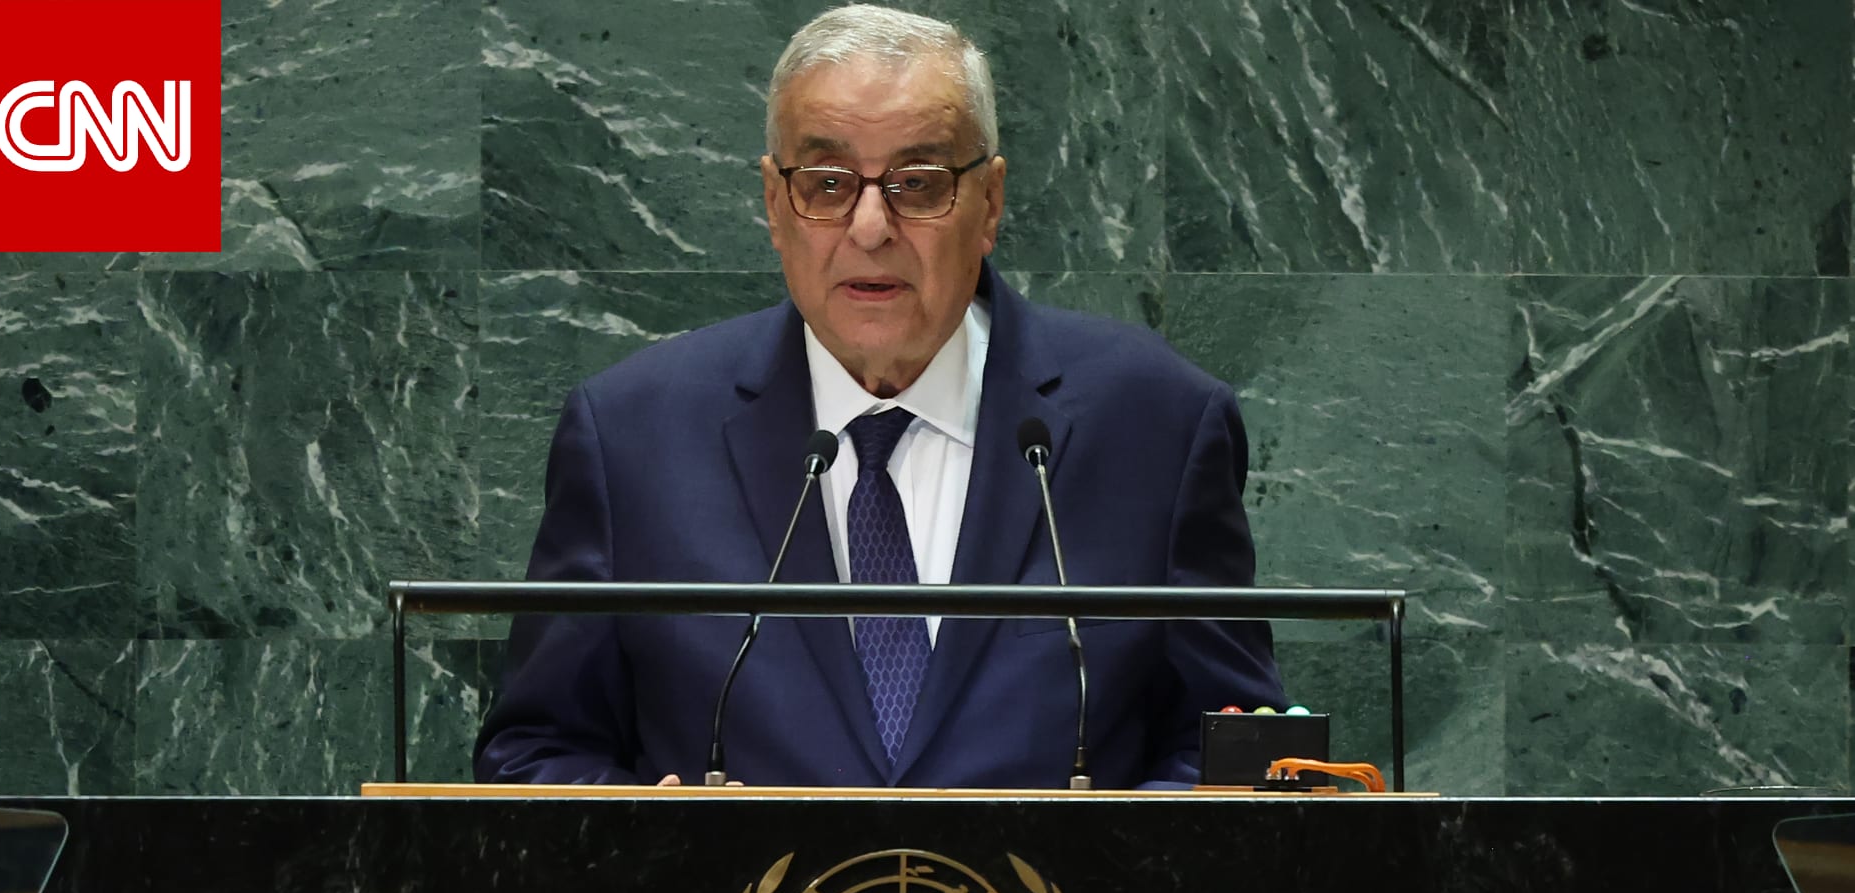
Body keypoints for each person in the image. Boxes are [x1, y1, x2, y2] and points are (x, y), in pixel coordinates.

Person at [473, 4, 1284, 789]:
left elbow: (1238, 751)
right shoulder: (632, 437)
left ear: (990, 203)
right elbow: (536, 751)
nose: (869, 226)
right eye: (826, 184)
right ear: (774, 205)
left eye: (918, 184)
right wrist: (655, 841)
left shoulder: (1156, 426)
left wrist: (1109, 856)